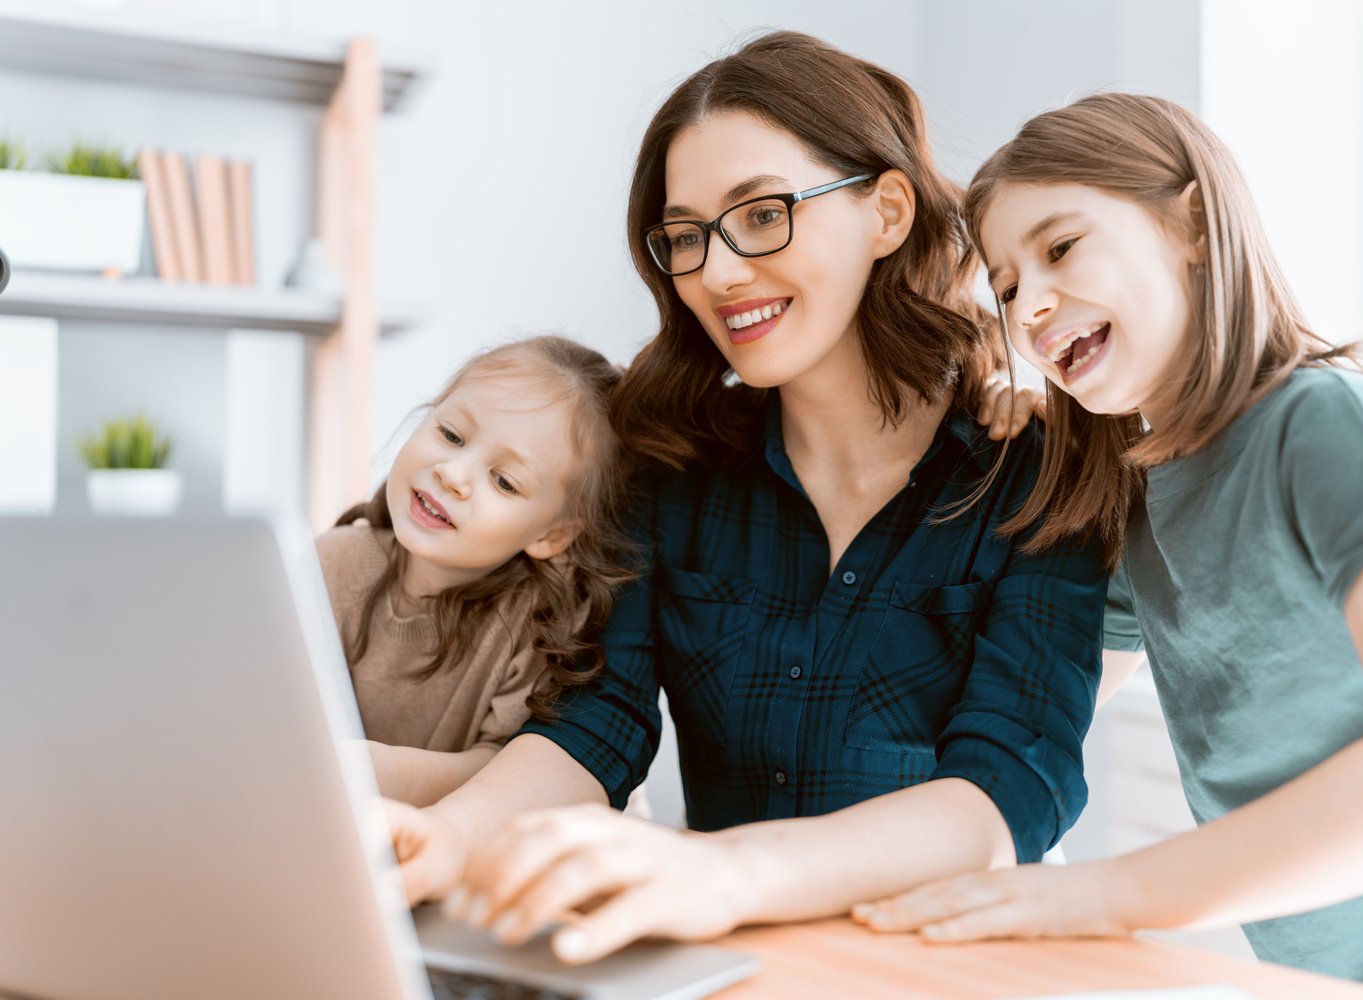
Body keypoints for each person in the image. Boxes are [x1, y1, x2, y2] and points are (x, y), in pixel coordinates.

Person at [382, 30, 1104, 964]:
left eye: (762, 214)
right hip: (730, 965)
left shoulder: (1036, 469)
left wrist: (727, 875)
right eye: (686, 236)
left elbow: (1011, 791)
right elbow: (599, 726)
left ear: (886, 213)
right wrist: (453, 834)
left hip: (944, 970)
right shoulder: (672, 469)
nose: (717, 274)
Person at [854, 93, 1363, 1000]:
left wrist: (1108, 897)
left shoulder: (1326, 429)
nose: (1031, 305)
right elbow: (1027, 714)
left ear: (1190, 223)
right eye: (1005, 289)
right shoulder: (1140, 507)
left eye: (1062, 247)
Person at [317, 335, 631, 807]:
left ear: (551, 536)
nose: (453, 473)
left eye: (503, 481)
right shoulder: (330, 564)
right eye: (450, 435)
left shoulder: (537, 626)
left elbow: (506, 772)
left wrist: (374, 772)